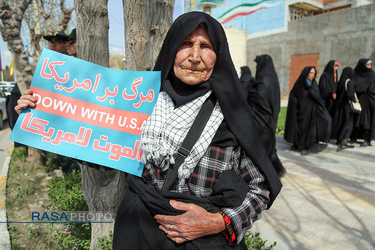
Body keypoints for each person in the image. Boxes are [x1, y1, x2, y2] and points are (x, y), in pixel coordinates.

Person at [16, 12, 282, 248]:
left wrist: (220, 222)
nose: (194, 56)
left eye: (206, 46)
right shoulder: (139, 102)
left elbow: (260, 188)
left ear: (219, 54)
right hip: (138, 233)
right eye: (186, 44)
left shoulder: (233, 115)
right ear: (171, 49)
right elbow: (100, 150)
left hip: (206, 241)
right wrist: (39, 114)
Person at [242, 55, 287, 177]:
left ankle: (269, 173)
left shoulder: (264, 80)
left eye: (258, 65)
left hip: (262, 121)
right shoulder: (270, 78)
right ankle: (277, 169)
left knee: (263, 148)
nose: (256, 67)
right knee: (268, 148)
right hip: (267, 119)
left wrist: (250, 86)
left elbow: (259, 97)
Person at [284, 66, 332, 155]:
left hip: (310, 111)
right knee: (297, 128)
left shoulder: (313, 84)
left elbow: (317, 97)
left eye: (314, 73)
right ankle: (296, 144)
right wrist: (294, 100)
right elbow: (293, 93)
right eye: (311, 73)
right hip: (299, 110)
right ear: (306, 73)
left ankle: (307, 146)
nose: (313, 75)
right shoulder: (299, 84)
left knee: (308, 129)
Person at [351, 58, 375, 146]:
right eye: (368, 65)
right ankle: (353, 137)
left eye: (370, 65)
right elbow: (354, 85)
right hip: (358, 99)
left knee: (367, 120)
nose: (369, 67)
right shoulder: (356, 73)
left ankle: (367, 139)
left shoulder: (372, 74)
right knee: (356, 119)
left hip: (369, 100)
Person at [331, 67, 357, 148]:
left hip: (340, 107)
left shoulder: (341, 82)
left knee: (340, 122)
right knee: (348, 123)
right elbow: (350, 94)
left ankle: (339, 139)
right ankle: (344, 141)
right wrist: (355, 100)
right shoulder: (350, 82)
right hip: (347, 107)